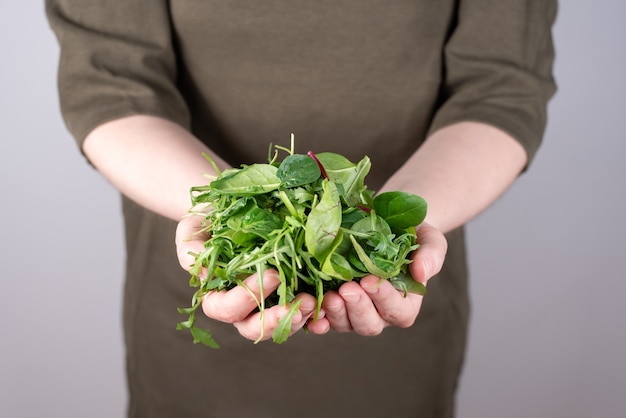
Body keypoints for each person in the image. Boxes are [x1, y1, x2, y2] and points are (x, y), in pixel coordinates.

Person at [46, 1, 557, 417]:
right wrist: (229, 206)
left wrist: (401, 223)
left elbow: (501, 89)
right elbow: (110, 85)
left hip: (393, 298)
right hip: (212, 288)